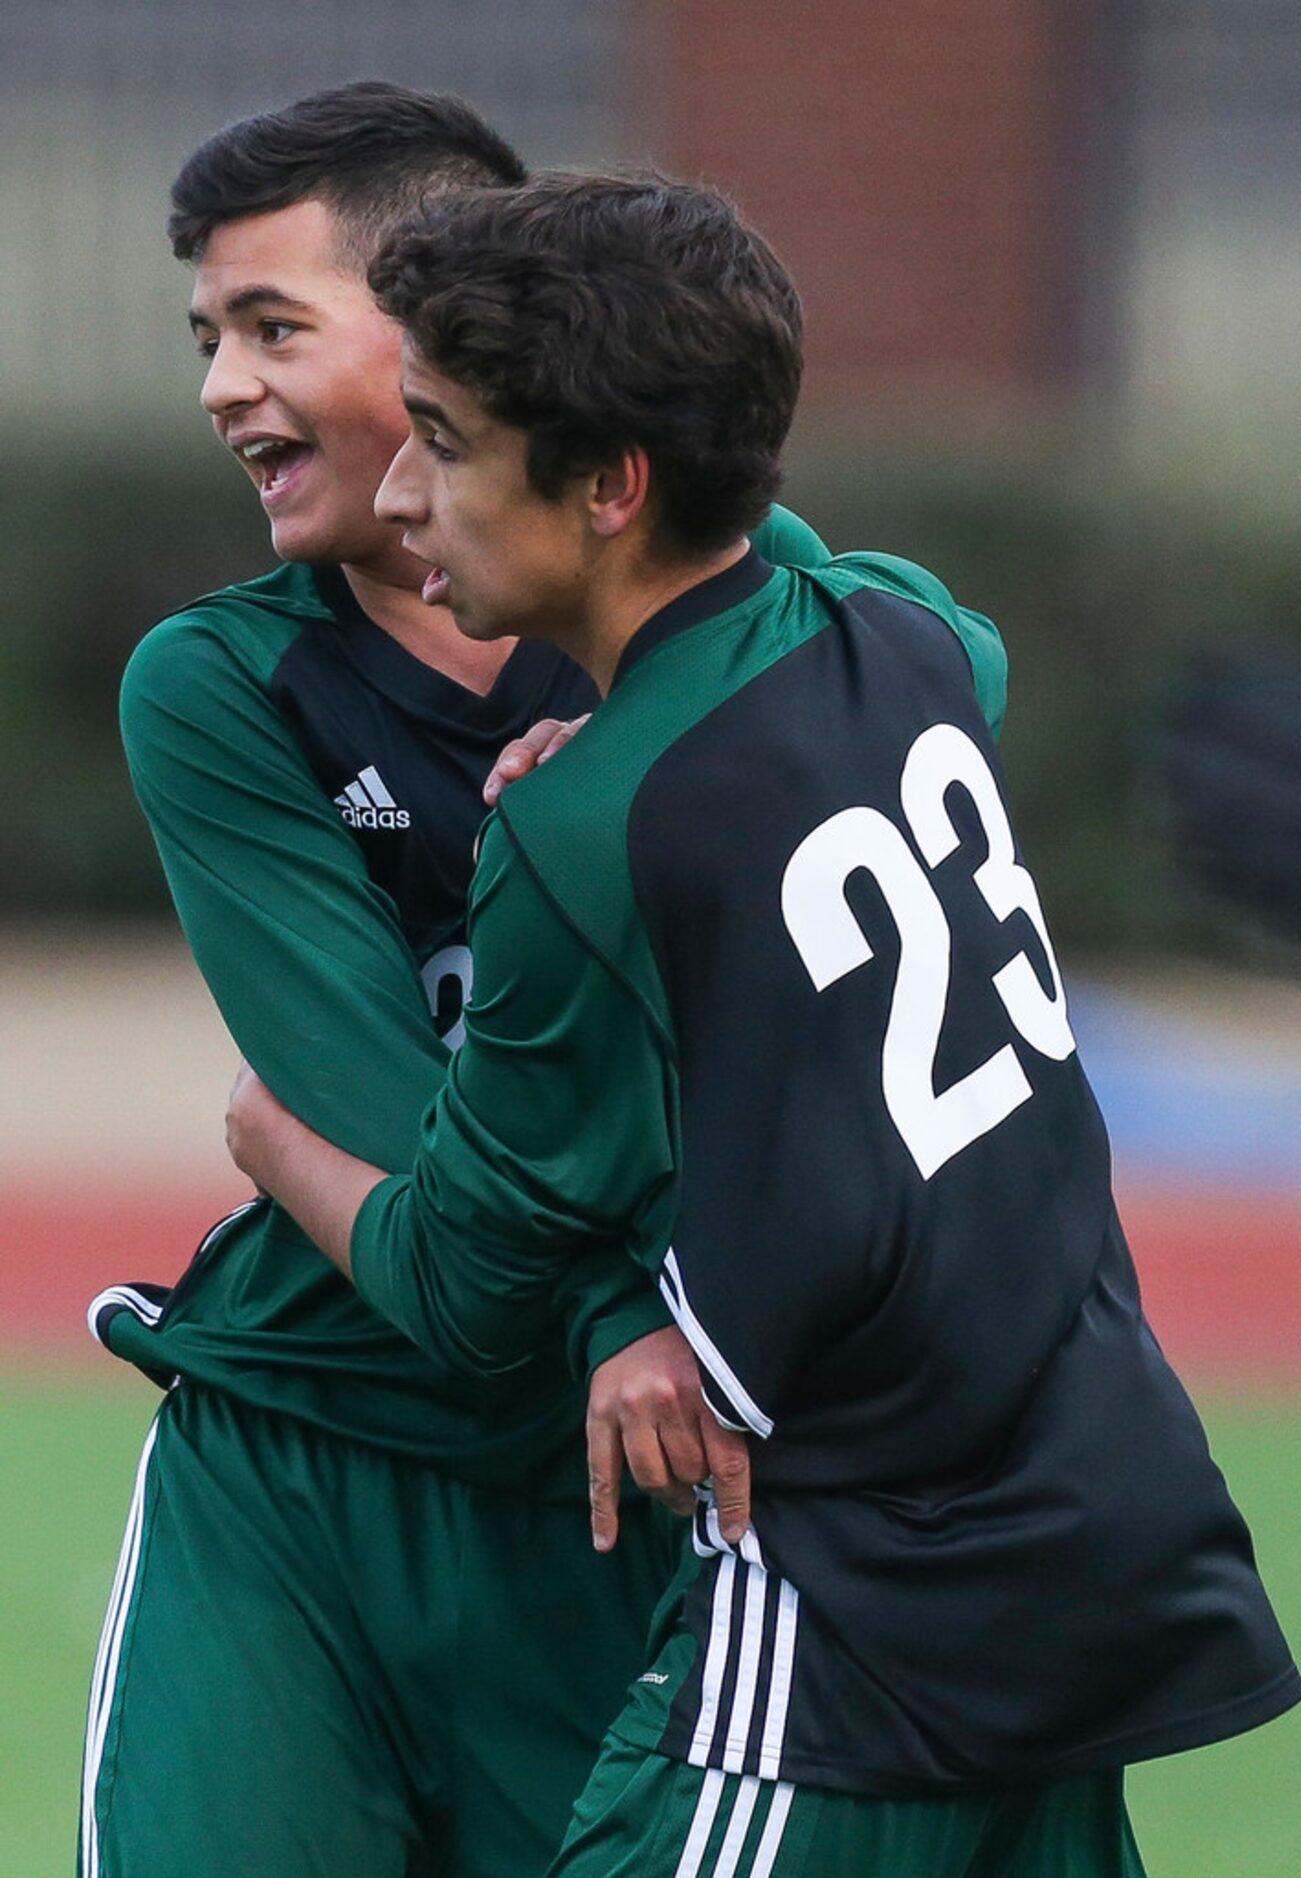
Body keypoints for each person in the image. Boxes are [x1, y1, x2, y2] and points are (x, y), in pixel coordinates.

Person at [227, 172, 1301, 1876]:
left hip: (863, 1610)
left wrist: (274, 1137)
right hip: (1092, 1513)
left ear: (605, 485)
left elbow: (464, 1280)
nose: (403, 488)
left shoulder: (580, 842)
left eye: (440, 436)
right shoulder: (901, 632)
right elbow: (888, 638)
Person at [84, 83, 829, 1878]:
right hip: (310, 1452)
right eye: (207, 338)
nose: (219, 388)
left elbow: (944, 666)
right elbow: (377, 1114)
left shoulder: (738, 604)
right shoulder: (217, 684)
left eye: (274, 327)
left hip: (621, 1500)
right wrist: (610, 1321)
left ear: (448, 328)